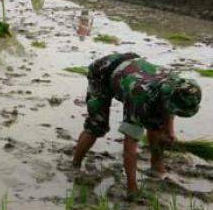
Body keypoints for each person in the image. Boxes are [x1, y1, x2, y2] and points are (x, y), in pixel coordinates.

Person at [72, 53, 201, 194]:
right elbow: (130, 145)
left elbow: (169, 108)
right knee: (97, 125)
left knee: (156, 123)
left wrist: (170, 132)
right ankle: (75, 165)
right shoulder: (140, 96)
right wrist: (132, 187)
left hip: (132, 69)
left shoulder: (178, 85)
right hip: (102, 73)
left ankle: (157, 167)